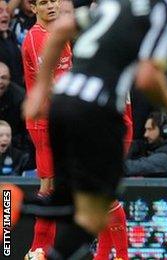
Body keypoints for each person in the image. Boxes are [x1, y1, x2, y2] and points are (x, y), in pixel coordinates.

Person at [21, 0, 167, 258]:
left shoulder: (114, 5)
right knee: (95, 210)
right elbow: (148, 77)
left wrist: (38, 92)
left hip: (62, 105)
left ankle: (21, 210)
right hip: (98, 113)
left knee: (69, 200)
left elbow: (62, 29)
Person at [20, 0, 72, 255]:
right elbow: (50, 84)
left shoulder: (59, 33)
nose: (50, 5)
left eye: (53, 0)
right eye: (43, 2)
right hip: (44, 122)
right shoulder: (36, 37)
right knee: (48, 185)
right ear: (33, 8)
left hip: (60, 119)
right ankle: (36, 248)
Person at [125, 111, 167, 177]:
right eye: (146, 130)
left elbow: (135, 168)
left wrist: (115, 165)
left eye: (150, 129)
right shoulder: (166, 146)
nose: (146, 134)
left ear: (164, 130)